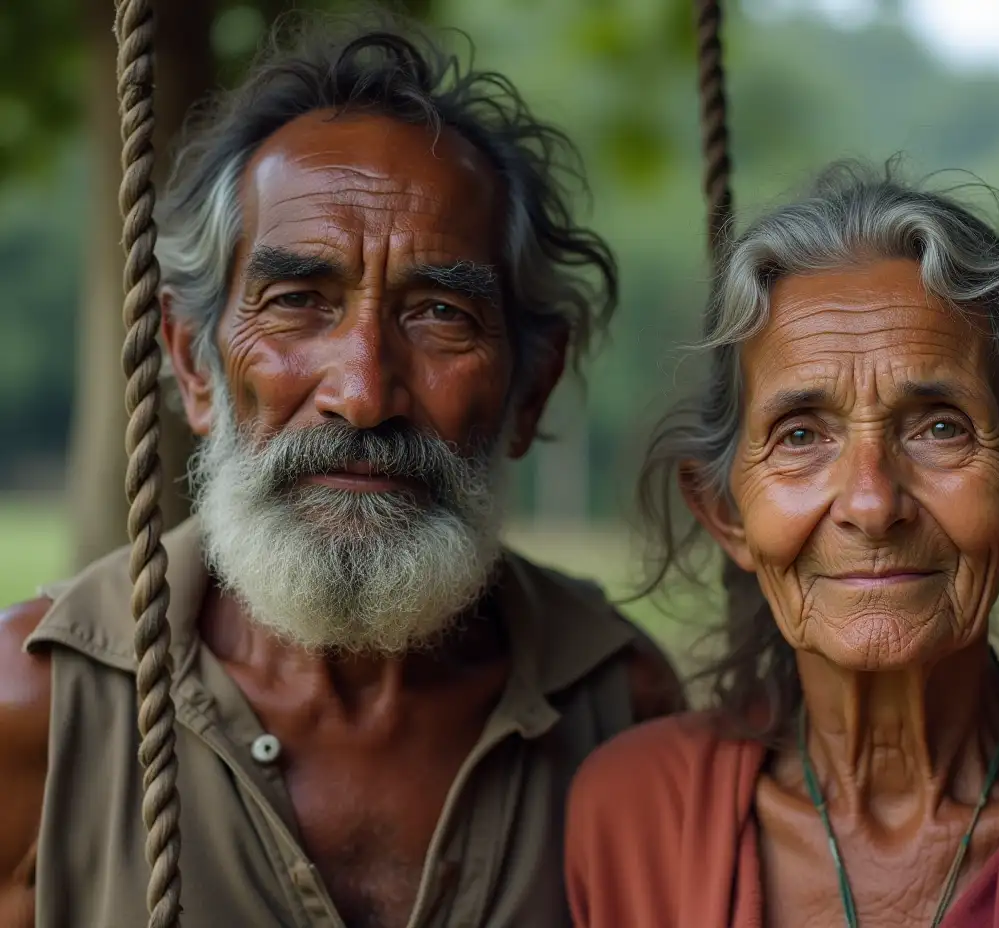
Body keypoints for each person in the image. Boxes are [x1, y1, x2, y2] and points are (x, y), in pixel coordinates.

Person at [0, 13, 683, 928]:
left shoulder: (620, 710)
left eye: (440, 313)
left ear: (530, 388)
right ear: (195, 366)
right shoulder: (34, 709)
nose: (363, 393)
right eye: (298, 302)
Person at [564, 162, 999, 927]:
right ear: (724, 514)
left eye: (941, 427)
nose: (873, 503)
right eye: (801, 435)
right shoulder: (632, 822)